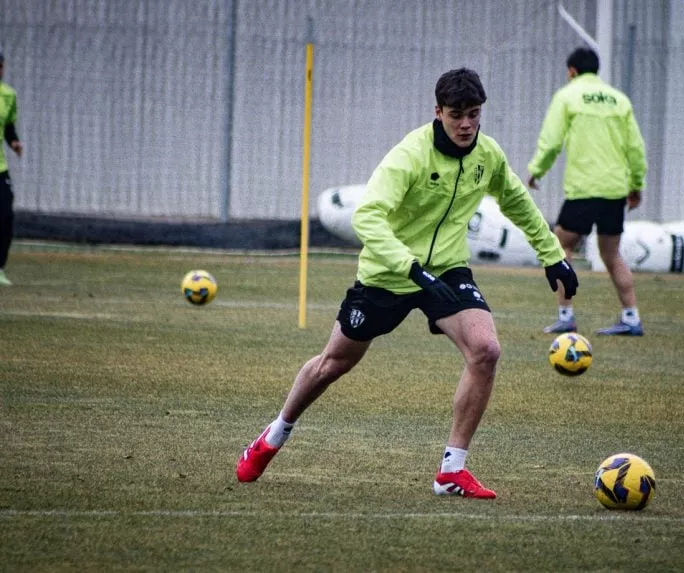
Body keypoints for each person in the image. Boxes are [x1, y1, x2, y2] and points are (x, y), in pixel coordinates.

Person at [236, 68, 577, 499]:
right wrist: (412, 268)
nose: (467, 124)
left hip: (448, 269)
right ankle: (274, 435)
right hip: (387, 272)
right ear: (438, 112)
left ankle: (451, 470)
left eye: (474, 114)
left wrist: (552, 256)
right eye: (457, 115)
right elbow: (368, 217)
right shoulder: (409, 155)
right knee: (333, 364)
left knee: (486, 350)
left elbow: (516, 201)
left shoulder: (487, 155)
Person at [527, 47, 647, 336]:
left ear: (571, 71)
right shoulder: (619, 100)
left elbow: (552, 140)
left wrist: (537, 170)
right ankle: (631, 317)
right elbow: (635, 147)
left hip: (583, 189)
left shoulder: (567, 96)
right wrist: (636, 184)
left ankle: (566, 314)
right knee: (612, 254)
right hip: (614, 189)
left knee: (560, 246)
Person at [0, 51, 23, 287]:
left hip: (0, 168)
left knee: (6, 216)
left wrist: (14, 142)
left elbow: (8, 126)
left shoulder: (8, 95)